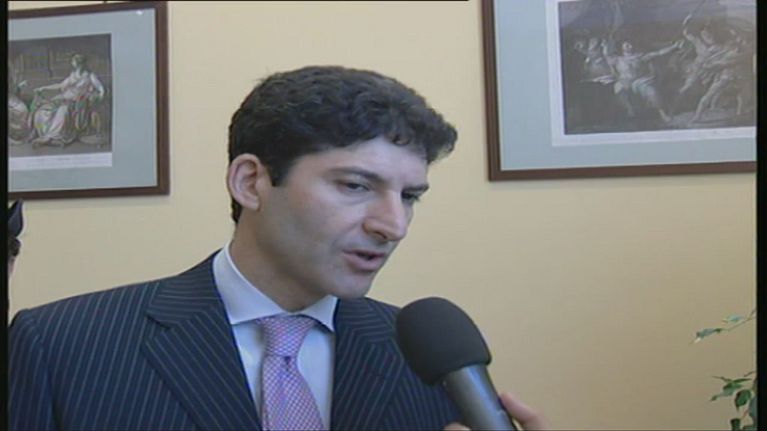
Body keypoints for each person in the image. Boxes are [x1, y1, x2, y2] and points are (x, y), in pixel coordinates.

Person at [8, 66, 546, 431]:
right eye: (356, 185)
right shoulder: (60, 346)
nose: (393, 225)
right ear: (251, 182)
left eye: (409, 197)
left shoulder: (431, 360)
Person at [29, 53, 105, 147]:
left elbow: (101, 89)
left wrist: (97, 98)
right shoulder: (73, 75)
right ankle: (43, 133)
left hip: (76, 102)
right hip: (63, 97)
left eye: (73, 61)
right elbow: (60, 85)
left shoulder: (89, 76)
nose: (72, 63)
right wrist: (44, 88)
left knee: (63, 111)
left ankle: (52, 137)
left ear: (78, 63)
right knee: (43, 109)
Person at [603, 38, 683, 124]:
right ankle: (630, 111)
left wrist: (674, 47)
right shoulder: (617, 59)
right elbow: (606, 55)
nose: (630, 46)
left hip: (640, 81)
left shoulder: (640, 56)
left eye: (631, 44)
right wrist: (605, 45)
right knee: (620, 90)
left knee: (652, 92)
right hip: (624, 81)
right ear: (621, 47)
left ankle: (663, 114)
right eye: (627, 45)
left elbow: (658, 53)